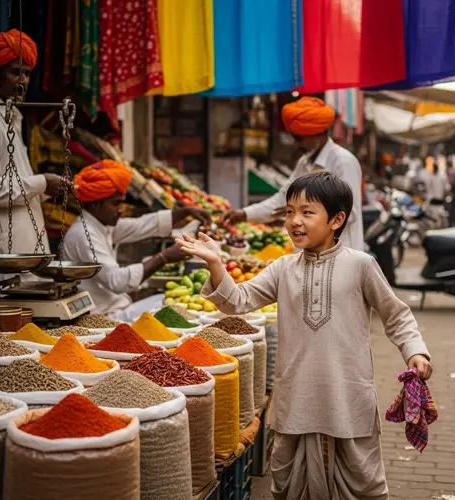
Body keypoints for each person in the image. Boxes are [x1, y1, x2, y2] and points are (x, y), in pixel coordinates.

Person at [177, 171, 432, 499]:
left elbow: (396, 316)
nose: (295, 221)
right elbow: (237, 301)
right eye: (289, 212)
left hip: (348, 398)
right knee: (289, 485)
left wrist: (416, 352)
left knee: (362, 484)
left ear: (337, 219)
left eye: (307, 212)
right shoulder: (283, 268)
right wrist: (215, 264)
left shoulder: (361, 266)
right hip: (295, 399)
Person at [0, 29, 62, 304]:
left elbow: (13, 183)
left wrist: (45, 189)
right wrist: (43, 182)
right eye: (15, 73)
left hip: (19, 260)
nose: (23, 82)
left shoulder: (10, 118)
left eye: (26, 74)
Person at [63, 160, 211, 320]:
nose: (121, 210)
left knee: (170, 304)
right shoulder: (84, 234)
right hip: (102, 316)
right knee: (168, 306)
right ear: (94, 205)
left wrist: (184, 212)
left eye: (122, 203)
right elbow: (117, 281)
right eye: (116, 203)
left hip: (116, 306)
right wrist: (164, 257)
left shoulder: (101, 225)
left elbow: (141, 225)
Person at [224, 96, 364, 251]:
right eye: (295, 138)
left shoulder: (343, 161)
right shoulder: (304, 163)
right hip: (309, 255)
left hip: (340, 256)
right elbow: (282, 199)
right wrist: (245, 214)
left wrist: (302, 210)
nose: (297, 144)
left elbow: (350, 214)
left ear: (318, 134)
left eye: (300, 138)